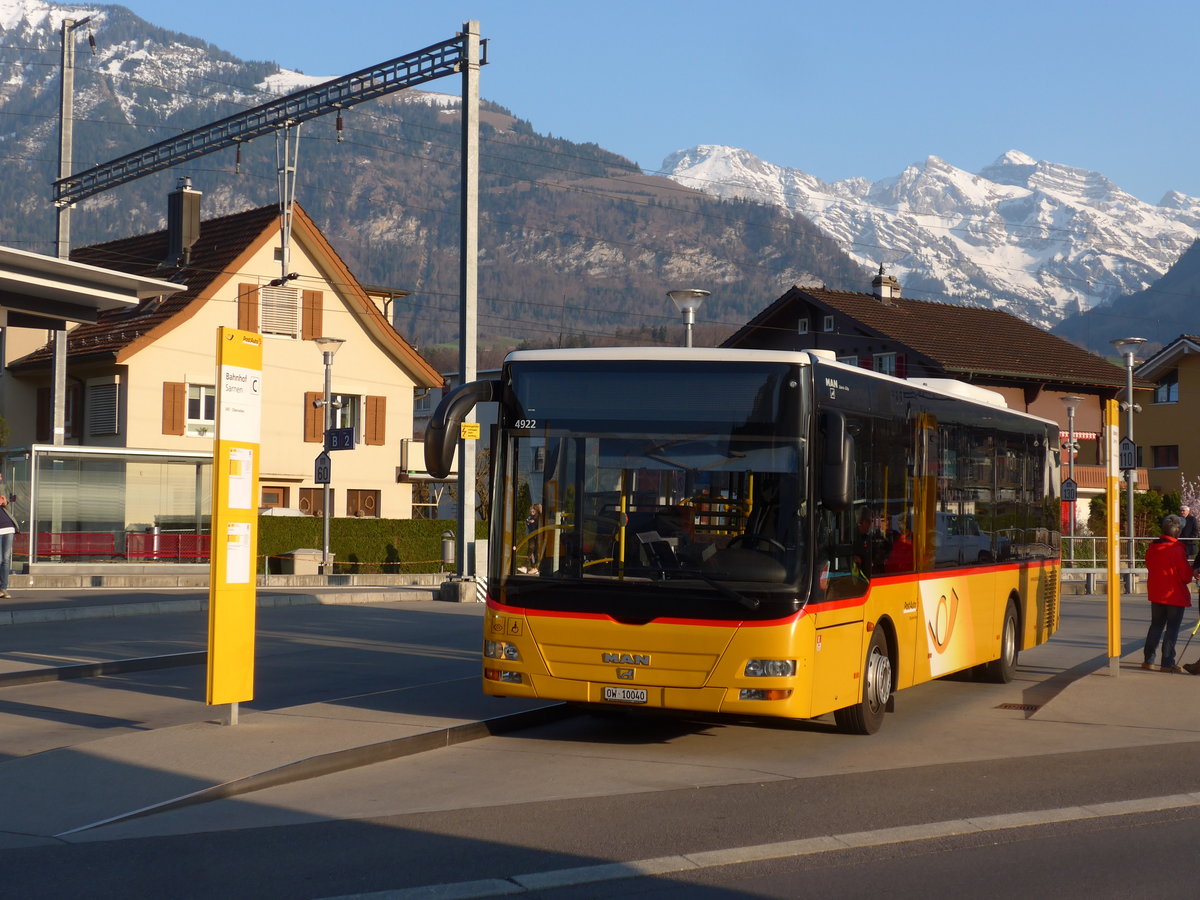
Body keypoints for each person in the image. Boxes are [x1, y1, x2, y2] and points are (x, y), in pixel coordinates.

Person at [1142, 514, 1193, 673]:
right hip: (1174, 594)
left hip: (1157, 592)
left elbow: (1150, 565)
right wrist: (1193, 572)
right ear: (1177, 532)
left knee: (1156, 625)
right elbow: (1185, 575)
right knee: (1172, 628)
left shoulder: (1153, 547)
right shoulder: (1177, 549)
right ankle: (1167, 662)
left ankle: (1148, 660)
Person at [0, 488, 15, 600]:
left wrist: (6, 503)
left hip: (8, 528)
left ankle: (3, 588)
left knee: (6, 559)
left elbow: (10, 510)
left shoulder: (3, 490)